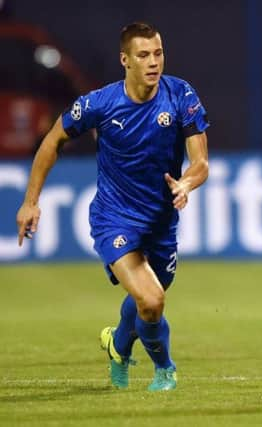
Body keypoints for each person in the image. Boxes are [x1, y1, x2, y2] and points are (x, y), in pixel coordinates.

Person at [15, 22, 210, 391]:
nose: (154, 62)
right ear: (125, 60)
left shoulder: (181, 95)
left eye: (158, 53)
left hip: (161, 223)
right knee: (151, 300)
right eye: (143, 55)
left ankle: (118, 345)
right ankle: (165, 370)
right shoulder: (100, 104)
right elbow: (52, 141)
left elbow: (200, 162)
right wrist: (30, 202)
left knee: (146, 301)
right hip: (114, 218)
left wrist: (186, 182)